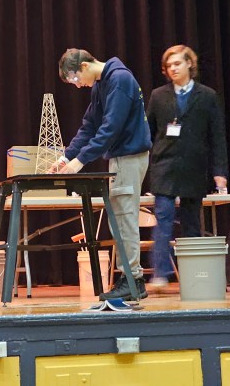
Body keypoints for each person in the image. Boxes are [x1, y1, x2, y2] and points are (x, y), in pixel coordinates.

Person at [50, 49, 152, 301]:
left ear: (84, 66)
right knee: (117, 219)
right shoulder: (101, 85)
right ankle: (130, 277)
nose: (76, 85)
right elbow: (89, 127)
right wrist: (66, 157)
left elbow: (110, 129)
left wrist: (80, 161)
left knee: (125, 217)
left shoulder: (119, 80)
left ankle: (133, 279)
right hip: (119, 158)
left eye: (74, 78)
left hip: (129, 156)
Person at [146, 44, 228, 288]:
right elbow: (147, 132)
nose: (172, 69)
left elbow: (218, 137)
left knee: (192, 223)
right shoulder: (158, 96)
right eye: (168, 65)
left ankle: (193, 276)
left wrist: (220, 172)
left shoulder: (207, 96)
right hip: (164, 167)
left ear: (190, 64)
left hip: (194, 167)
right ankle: (160, 273)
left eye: (177, 64)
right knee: (164, 218)